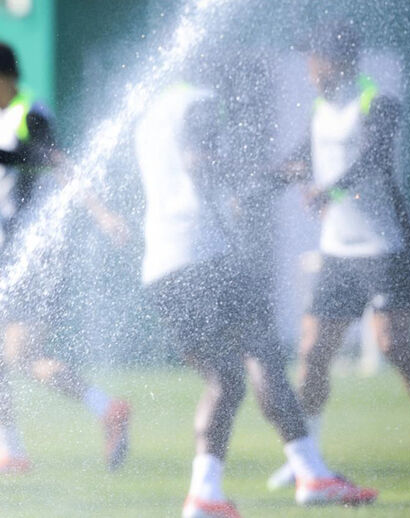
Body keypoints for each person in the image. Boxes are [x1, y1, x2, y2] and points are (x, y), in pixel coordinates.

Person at [135, 73, 377, 517]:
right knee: (263, 355)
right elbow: (198, 161)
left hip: (161, 268)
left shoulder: (148, 116)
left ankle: (204, 494)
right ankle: (311, 472)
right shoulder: (201, 96)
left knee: (224, 381)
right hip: (203, 255)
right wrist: (261, 179)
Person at [267, 21, 410, 491]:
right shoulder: (321, 107)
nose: (310, 69)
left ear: (338, 60)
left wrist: (328, 188)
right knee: (313, 352)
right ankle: (308, 459)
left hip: (383, 246)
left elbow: (375, 158)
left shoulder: (377, 101)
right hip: (337, 251)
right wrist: (261, 183)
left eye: (316, 59)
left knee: (393, 344)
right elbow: (300, 162)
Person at [0, 40, 131, 478]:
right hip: (3, 250)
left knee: (2, 353)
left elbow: (62, 166)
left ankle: (16, 446)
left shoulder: (30, 111)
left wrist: (104, 215)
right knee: (2, 355)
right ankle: (98, 411)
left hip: (31, 255)